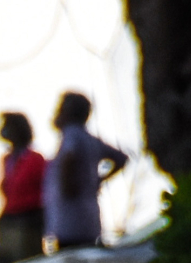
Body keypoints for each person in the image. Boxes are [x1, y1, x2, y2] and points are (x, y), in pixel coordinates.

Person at [45, 91, 128, 249]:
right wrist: (98, 180)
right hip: (87, 219)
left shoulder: (72, 134)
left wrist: (67, 185)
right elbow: (121, 158)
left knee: (73, 259)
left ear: (67, 113)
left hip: (70, 220)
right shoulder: (88, 138)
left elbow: (70, 157)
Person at [0, 112, 47, 263]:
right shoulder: (7, 160)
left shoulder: (35, 159)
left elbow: (43, 193)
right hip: (9, 219)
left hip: (29, 221)